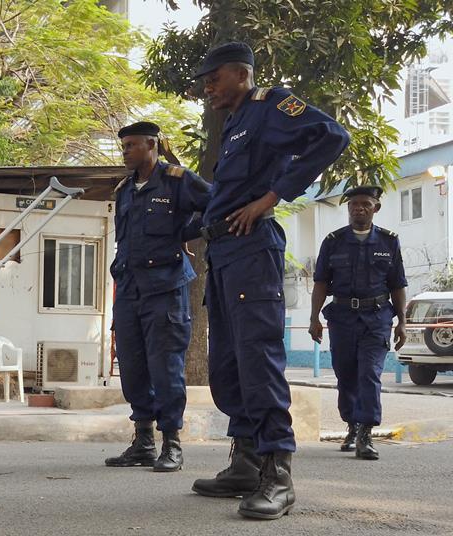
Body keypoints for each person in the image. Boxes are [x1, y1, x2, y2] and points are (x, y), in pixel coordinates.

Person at [189, 42, 351, 519]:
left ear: (241, 74)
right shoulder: (235, 124)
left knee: (257, 359)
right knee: (227, 365)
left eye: (213, 77)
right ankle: (245, 460)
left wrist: (271, 198)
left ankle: (278, 474)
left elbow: (332, 137)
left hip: (252, 249)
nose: (207, 87)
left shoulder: (271, 106)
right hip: (223, 253)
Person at [104, 121, 211, 472]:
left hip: (165, 287)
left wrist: (186, 231)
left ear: (151, 144)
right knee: (132, 367)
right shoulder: (125, 190)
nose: (125, 152)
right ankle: (143, 441)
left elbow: (214, 204)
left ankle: (172, 444)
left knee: (166, 368)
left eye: (131, 145)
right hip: (130, 288)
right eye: (123, 146)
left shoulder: (177, 180)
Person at [309, 185, 408, 460]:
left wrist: (402, 322)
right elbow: (320, 282)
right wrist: (313, 317)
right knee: (346, 374)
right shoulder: (333, 241)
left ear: (375, 208)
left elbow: (397, 284)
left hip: (376, 318)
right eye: (354, 205)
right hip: (341, 318)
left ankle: (366, 432)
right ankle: (351, 425)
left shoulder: (389, 242)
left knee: (369, 374)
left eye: (365, 204)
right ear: (348, 208)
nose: (359, 209)